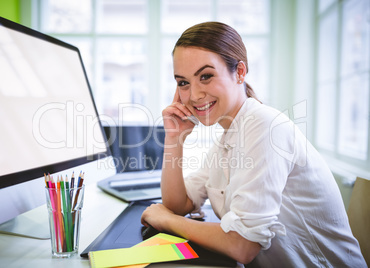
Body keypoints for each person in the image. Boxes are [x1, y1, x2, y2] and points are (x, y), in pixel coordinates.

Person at [140, 21, 366, 267]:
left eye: (206, 76)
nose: (193, 95)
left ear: (239, 72)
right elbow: (179, 204)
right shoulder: (228, 138)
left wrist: (166, 221)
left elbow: (242, 245)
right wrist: (175, 138)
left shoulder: (264, 126)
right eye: (183, 82)